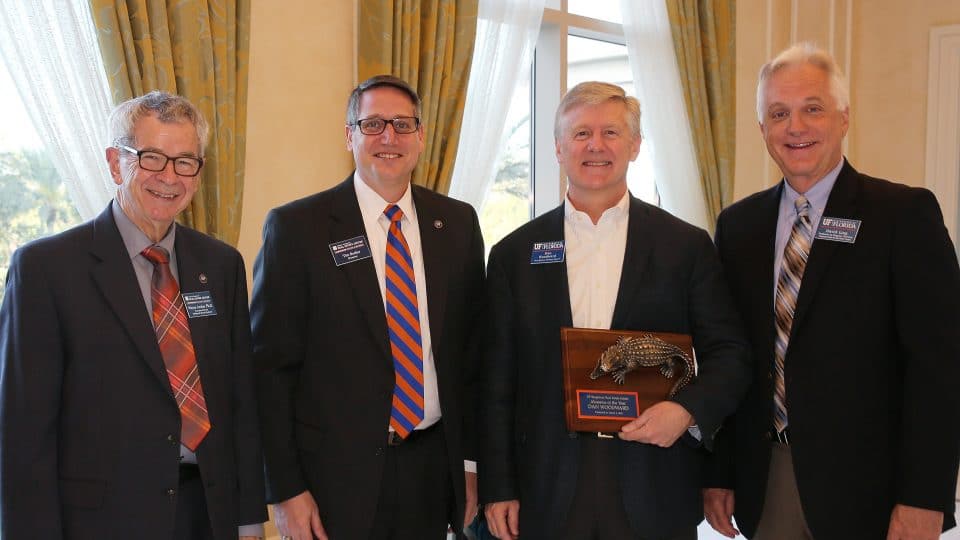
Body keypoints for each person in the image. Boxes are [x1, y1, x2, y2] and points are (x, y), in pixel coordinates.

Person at [703, 42, 960, 540]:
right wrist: (719, 473)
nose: (795, 127)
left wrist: (925, 496)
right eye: (779, 113)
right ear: (762, 130)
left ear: (844, 118)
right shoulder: (737, 227)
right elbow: (728, 356)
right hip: (767, 481)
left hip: (875, 491)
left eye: (812, 109)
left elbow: (940, 368)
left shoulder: (903, 216)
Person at [480, 81, 752, 540]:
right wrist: (499, 485)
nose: (596, 146)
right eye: (581, 133)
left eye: (610, 132)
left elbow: (731, 354)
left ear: (635, 145)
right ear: (559, 148)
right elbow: (495, 381)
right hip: (546, 485)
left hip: (654, 477)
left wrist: (686, 411)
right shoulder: (514, 254)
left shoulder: (685, 246)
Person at [0, 91, 267, 539]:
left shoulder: (221, 265)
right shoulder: (47, 269)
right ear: (114, 162)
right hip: (101, 522)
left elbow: (239, 400)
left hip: (209, 514)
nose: (169, 177)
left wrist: (248, 520)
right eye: (151, 158)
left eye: (185, 161)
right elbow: (24, 432)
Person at [251, 74, 484, 540]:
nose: (388, 138)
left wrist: (472, 464)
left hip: (433, 470)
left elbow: (474, 356)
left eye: (402, 124)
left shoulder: (456, 224)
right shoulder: (298, 229)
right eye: (373, 123)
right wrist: (284, 489)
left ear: (421, 136)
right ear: (349, 135)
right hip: (331, 483)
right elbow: (268, 371)